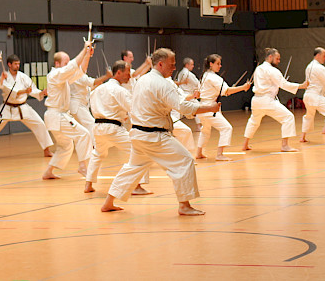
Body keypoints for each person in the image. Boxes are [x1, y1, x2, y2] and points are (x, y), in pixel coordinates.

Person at [101, 48, 220, 216]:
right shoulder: (162, 83)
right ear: (160, 64)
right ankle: (184, 205)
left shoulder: (142, 80)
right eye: (171, 65)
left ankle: (108, 203)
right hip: (153, 135)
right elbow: (183, 107)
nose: (174, 68)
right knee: (185, 160)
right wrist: (210, 107)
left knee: (133, 167)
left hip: (138, 134)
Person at [84, 61, 150, 194]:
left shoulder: (97, 89)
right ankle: (137, 186)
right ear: (118, 73)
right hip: (112, 128)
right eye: (127, 73)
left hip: (98, 127)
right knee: (138, 151)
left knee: (98, 153)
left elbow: (102, 107)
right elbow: (133, 109)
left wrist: (119, 115)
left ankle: (88, 184)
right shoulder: (120, 90)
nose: (129, 76)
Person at [42, 40, 94, 180]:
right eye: (65, 62)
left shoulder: (62, 77)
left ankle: (48, 172)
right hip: (57, 115)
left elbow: (79, 72)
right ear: (57, 64)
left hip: (56, 116)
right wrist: (83, 50)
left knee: (66, 146)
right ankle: (83, 166)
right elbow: (72, 67)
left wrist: (87, 55)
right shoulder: (55, 75)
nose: (68, 64)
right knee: (84, 134)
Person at [0, 54, 54, 157]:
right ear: (9, 64)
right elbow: (10, 91)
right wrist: (24, 91)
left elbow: (32, 89)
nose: (17, 66)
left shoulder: (23, 76)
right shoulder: (5, 77)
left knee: (40, 124)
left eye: (18, 64)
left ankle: (47, 150)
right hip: (7, 107)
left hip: (23, 107)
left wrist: (41, 93)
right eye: (15, 64)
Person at [242, 48, 307, 152]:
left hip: (256, 100)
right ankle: (285, 145)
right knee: (288, 117)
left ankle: (245, 144)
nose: (279, 61)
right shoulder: (272, 70)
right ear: (270, 57)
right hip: (267, 100)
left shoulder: (258, 68)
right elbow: (284, 84)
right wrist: (301, 86)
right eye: (277, 59)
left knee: (254, 121)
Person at [196, 54, 251, 161]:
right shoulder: (214, 78)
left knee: (205, 130)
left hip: (202, 108)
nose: (220, 66)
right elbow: (227, 91)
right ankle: (220, 154)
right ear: (211, 64)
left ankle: (199, 153)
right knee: (226, 128)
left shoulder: (204, 76)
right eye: (218, 64)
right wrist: (243, 87)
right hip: (209, 108)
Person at [69, 66, 112, 136]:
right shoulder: (77, 74)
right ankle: (93, 146)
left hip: (79, 106)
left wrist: (97, 84)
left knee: (82, 131)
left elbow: (88, 89)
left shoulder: (78, 75)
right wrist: (107, 76)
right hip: (78, 107)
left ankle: (88, 146)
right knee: (91, 125)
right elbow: (92, 81)